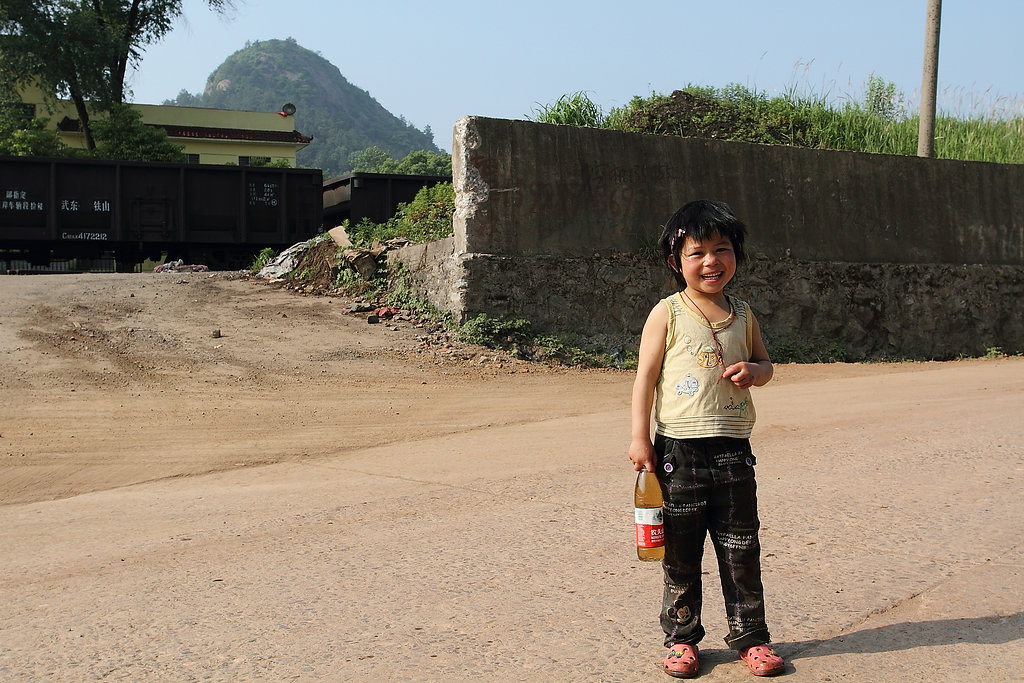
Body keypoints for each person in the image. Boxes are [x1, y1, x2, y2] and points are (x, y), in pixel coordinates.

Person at [627, 199, 785, 678]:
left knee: (741, 547)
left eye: (722, 249)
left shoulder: (744, 313)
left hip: (734, 451)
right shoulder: (668, 313)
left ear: (737, 255)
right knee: (681, 553)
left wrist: (754, 371)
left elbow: (767, 365)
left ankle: (751, 638)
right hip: (678, 451)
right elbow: (645, 379)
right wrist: (640, 439)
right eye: (697, 253)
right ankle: (681, 639)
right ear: (677, 262)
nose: (711, 261)